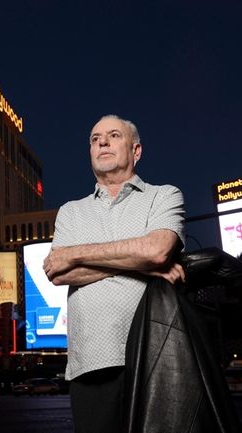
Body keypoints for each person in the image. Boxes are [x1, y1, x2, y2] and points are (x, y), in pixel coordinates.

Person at [43, 114, 186, 433]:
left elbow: (158, 250)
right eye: (94, 139)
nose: (102, 142)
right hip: (91, 359)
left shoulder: (163, 195)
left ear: (136, 151)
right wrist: (145, 266)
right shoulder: (71, 211)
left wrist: (74, 252)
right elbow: (56, 271)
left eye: (112, 136)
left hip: (158, 354)